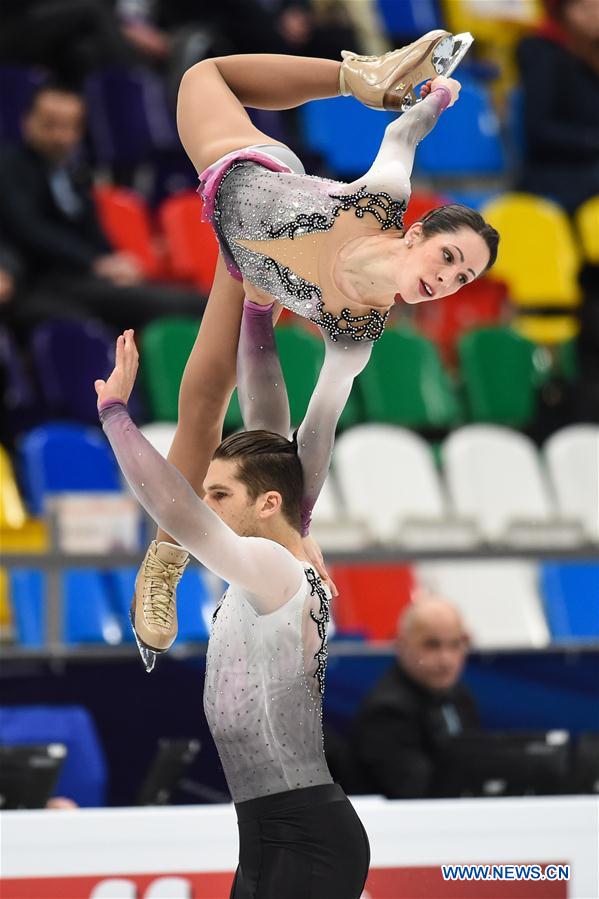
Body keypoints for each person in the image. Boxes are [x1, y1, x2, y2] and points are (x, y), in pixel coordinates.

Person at [129, 36, 500, 659]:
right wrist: (430, 98)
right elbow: (404, 137)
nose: (446, 280)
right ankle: (359, 73)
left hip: (248, 270)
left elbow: (315, 432)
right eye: (448, 258)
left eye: (461, 280)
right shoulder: (380, 197)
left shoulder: (357, 334)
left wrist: (295, 530)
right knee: (203, 74)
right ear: (415, 237)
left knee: (205, 400)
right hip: (249, 170)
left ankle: (163, 564)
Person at [96, 328, 370, 898]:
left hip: (304, 835)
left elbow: (176, 508)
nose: (207, 505)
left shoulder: (276, 568)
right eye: (209, 493)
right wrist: (254, 310)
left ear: (269, 504)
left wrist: (115, 414)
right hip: (273, 832)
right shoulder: (274, 565)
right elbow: (269, 417)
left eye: (220, 495)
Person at [0, 84, 205, 332]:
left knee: (194, 302)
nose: (60, 137)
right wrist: (96, 262)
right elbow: (29, 228)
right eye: (49, 125)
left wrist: (114, 261)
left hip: (85, 279)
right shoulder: (11, 167)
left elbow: (93, 228)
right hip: (44, 280)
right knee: (181, 305)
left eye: (68, 127)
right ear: (27, 122)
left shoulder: (73, 173)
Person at [350, 594, 480, 799]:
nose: (446, 659)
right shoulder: (387, 713)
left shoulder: (459, 696)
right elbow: (419, 792)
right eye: (432, 645)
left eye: (455, 644)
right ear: (402, 645)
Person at [516, 0, 599, 214]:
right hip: (555, 173)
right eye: (585, 7)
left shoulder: (590, 55)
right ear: (563, 12)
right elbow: (539, 130)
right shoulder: (542, 52)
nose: (595, 14)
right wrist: (591, 140)